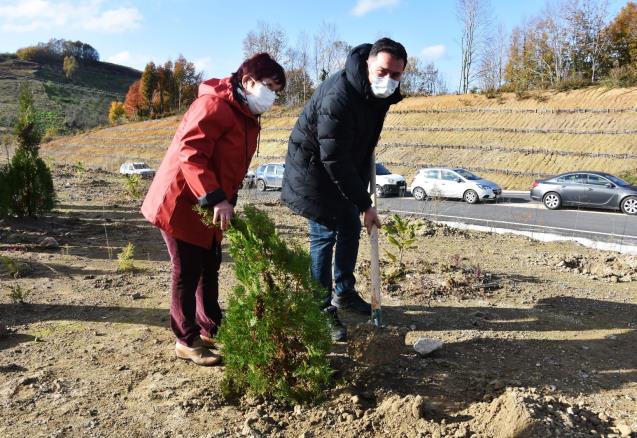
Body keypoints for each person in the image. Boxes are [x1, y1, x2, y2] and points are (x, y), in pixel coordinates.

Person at [141, 53, 286, 366]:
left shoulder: (245, 114)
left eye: (277, 91)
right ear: (248, 81)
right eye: (270, 87)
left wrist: (226, 200)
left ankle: (210, 328)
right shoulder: (214, 105)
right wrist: (216, 197)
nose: (273, 96)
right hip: (182, 201)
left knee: (210, 264)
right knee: (187, 270)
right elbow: (190, 154)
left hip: (210, 204)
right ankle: (186, 340)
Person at [281, 38, 407, 341]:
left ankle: (344, 293)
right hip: (314, 173)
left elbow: (361, 148)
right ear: (368, 64)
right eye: (383, 71)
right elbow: (334, 158)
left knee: (350, 227)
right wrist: (365, 204)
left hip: (341, 169)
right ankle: (319, 307)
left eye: (396, 75)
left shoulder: (376, 95)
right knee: (325, 234)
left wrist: (360, 196)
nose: (388, 80)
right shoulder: (339, 95)